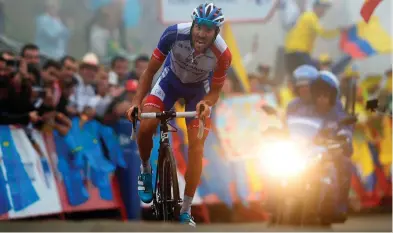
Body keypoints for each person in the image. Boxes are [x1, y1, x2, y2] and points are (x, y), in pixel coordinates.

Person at [126, 2, 231, 226]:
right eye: (199, 27)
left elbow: (214, 92)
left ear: (216, 32)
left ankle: (185, 209)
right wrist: (136, 102)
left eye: (209, 29)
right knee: (146, 127)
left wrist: (206, 104)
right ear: (192, 25)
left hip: (198, 93)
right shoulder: (173, 34)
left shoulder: (223, 54)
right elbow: (150, 72)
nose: (202, 34)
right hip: (169, 83)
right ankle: (146, 169)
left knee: (196, 147)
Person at [286, 70, 353, 221]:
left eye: (325, 95)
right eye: (318, 94)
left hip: (330, 151)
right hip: (306, 151)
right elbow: (292, 126)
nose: (321, 99)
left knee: (344, 162)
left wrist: (343, 138)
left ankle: (340, 205)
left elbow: (345, 128)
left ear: (332, 96)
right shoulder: (304, 109)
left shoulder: (337, 111)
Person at [284, 0, 350, 76]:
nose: (324, 11)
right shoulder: (311, 16)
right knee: (323, 72)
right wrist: (340, 30)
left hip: (291, 55)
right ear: (316, 7)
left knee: (306, 78)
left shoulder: (306, 17)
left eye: (325, 9)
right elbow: (324, 33)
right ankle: (348, 57)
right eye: (323, 8)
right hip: (298, 54)